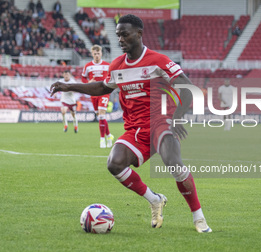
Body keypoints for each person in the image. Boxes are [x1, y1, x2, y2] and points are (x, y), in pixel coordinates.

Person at [51, 14, 212, 233]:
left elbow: (188, 87)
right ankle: (154, 200)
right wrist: (70, 87)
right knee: (114, 163)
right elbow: (102, 88)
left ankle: (198, 217)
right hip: (135, 130)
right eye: (118, 35)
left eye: (124, 34)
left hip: (161, 123)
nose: (120, 40)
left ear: (139, 33)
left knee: (173, 162)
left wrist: (178, 116)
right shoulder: (117, 66)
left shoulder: (159, 61)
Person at [82, 44, 114, 148]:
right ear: (92, 54)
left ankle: (102, 140)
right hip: (93, 93)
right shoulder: (88, 66)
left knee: (101, 115)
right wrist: (88, 82)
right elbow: (83, 78)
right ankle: (109, 135)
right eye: (95, 53)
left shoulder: (107, 65)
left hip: (104, 92)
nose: (97, 55)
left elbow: (111, 77)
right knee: (100, 116)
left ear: (101, 54)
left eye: (98, 53)